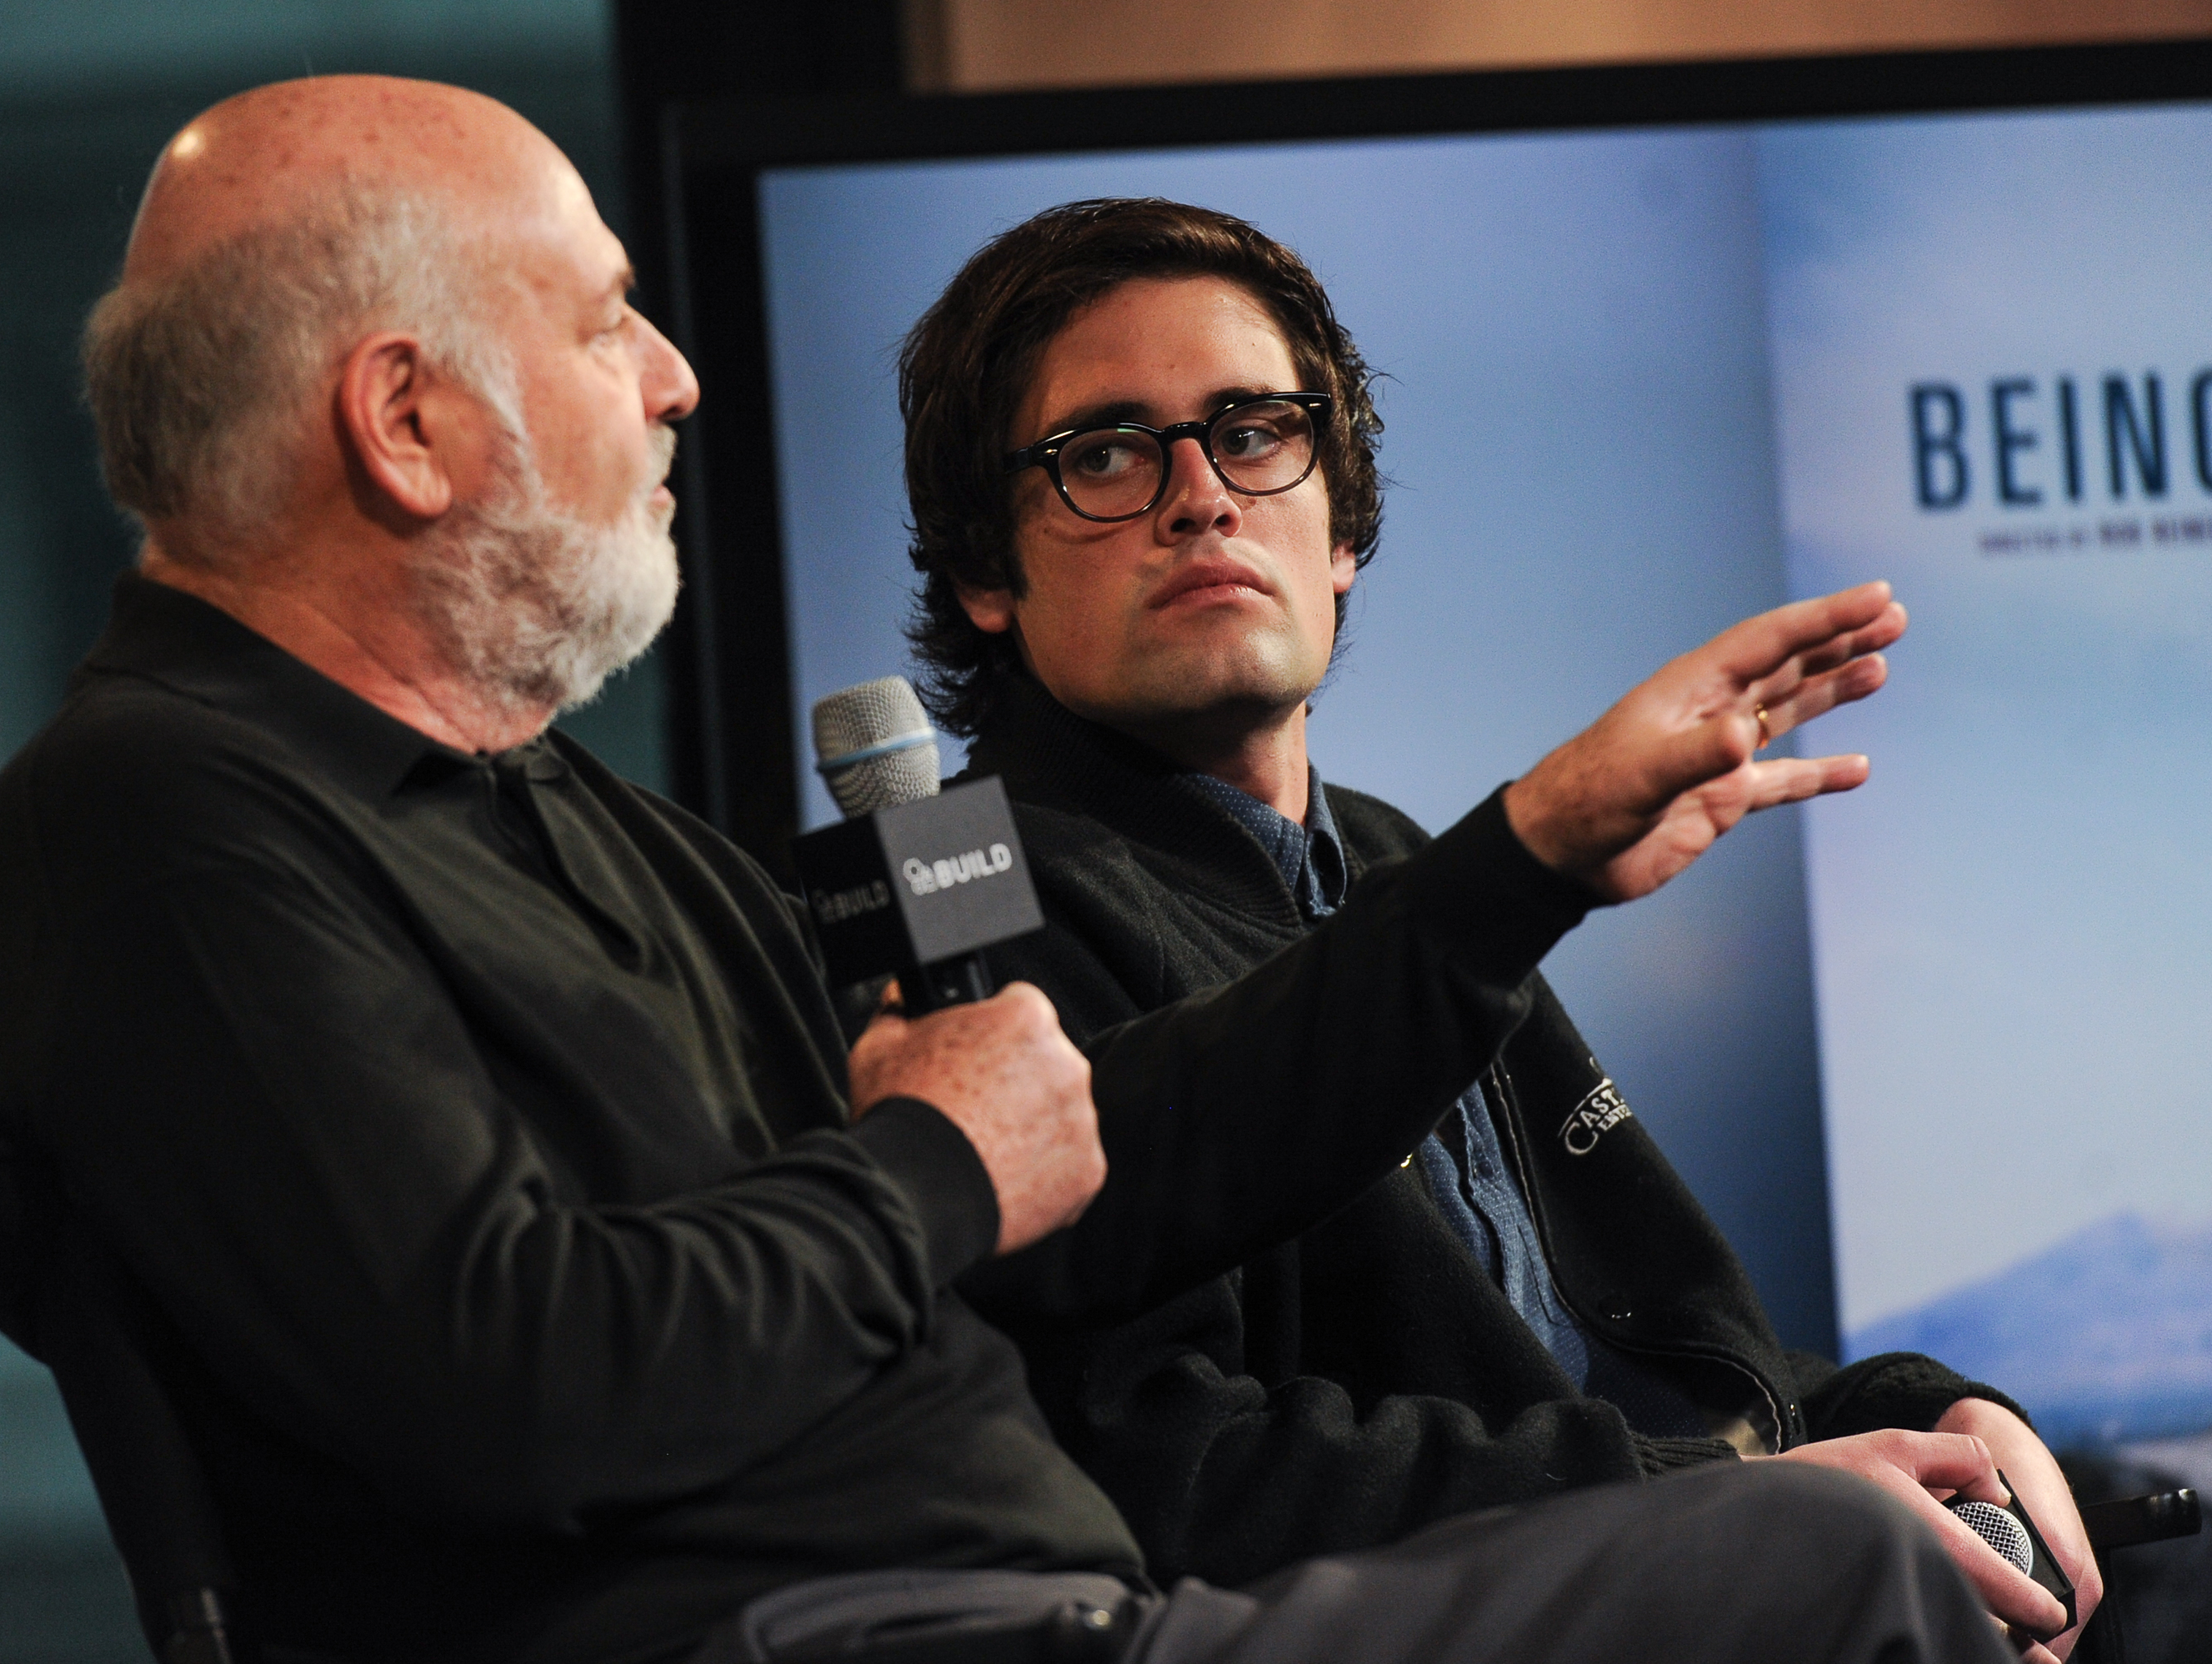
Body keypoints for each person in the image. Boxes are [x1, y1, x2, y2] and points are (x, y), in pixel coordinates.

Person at [0, 78, 2015, 1664]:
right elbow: (519, 1378)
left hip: (1041, 1604)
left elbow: (1088, 1173)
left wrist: (1516, 866)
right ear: (404, 421)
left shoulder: (570, 823)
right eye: (605, 322)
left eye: (1254, 437)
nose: (675, 376)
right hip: (879, 1633)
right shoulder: (157, 824)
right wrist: (927, 1168)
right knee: (1831, 1560)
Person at [896, 198, 2099, 1662]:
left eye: (1256, 431)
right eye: (1104, 454)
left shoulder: (1392, 854)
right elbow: (1164, 1465)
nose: (1200, 496)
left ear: (1342, 526)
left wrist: (1920, 1419)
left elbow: (1633, 1363)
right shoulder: (958, 893)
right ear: (983, 575)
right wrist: (1733, 1501)